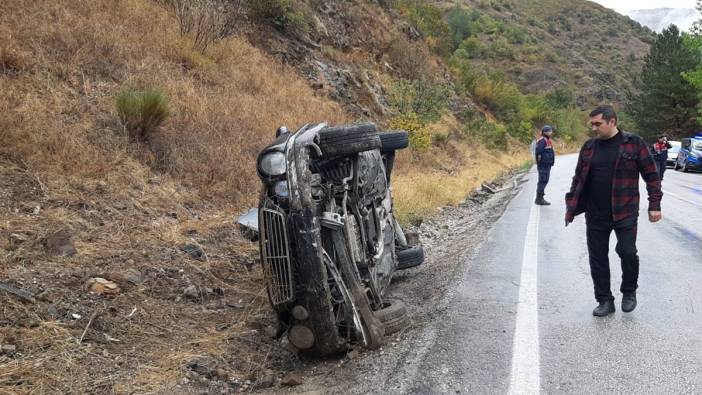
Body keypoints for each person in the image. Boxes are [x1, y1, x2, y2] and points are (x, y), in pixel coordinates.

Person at [565, 105, 662, 317]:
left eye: (598, 124)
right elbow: (578, 178)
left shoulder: (634, 143)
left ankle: (629, 291)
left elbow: (652, 176)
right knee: (597, 257)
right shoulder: (589, 147)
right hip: (596, 213)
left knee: (627, 252)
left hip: (625, 211)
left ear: (612, 122)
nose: (594, 128)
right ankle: (605, 300)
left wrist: (654, 205)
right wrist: (571, 204)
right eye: (592, 124)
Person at [534, 125, 555, 205]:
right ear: (545, 132)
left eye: (551, 131)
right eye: (549, 131)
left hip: (546, 165)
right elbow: (538, 152)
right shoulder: (542, 141)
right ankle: (539, 199)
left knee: (544, 180)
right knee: (542, 181)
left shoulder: (547, 140)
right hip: (543, 165)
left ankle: (540, 198)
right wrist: (540, 163)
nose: (551, 132)